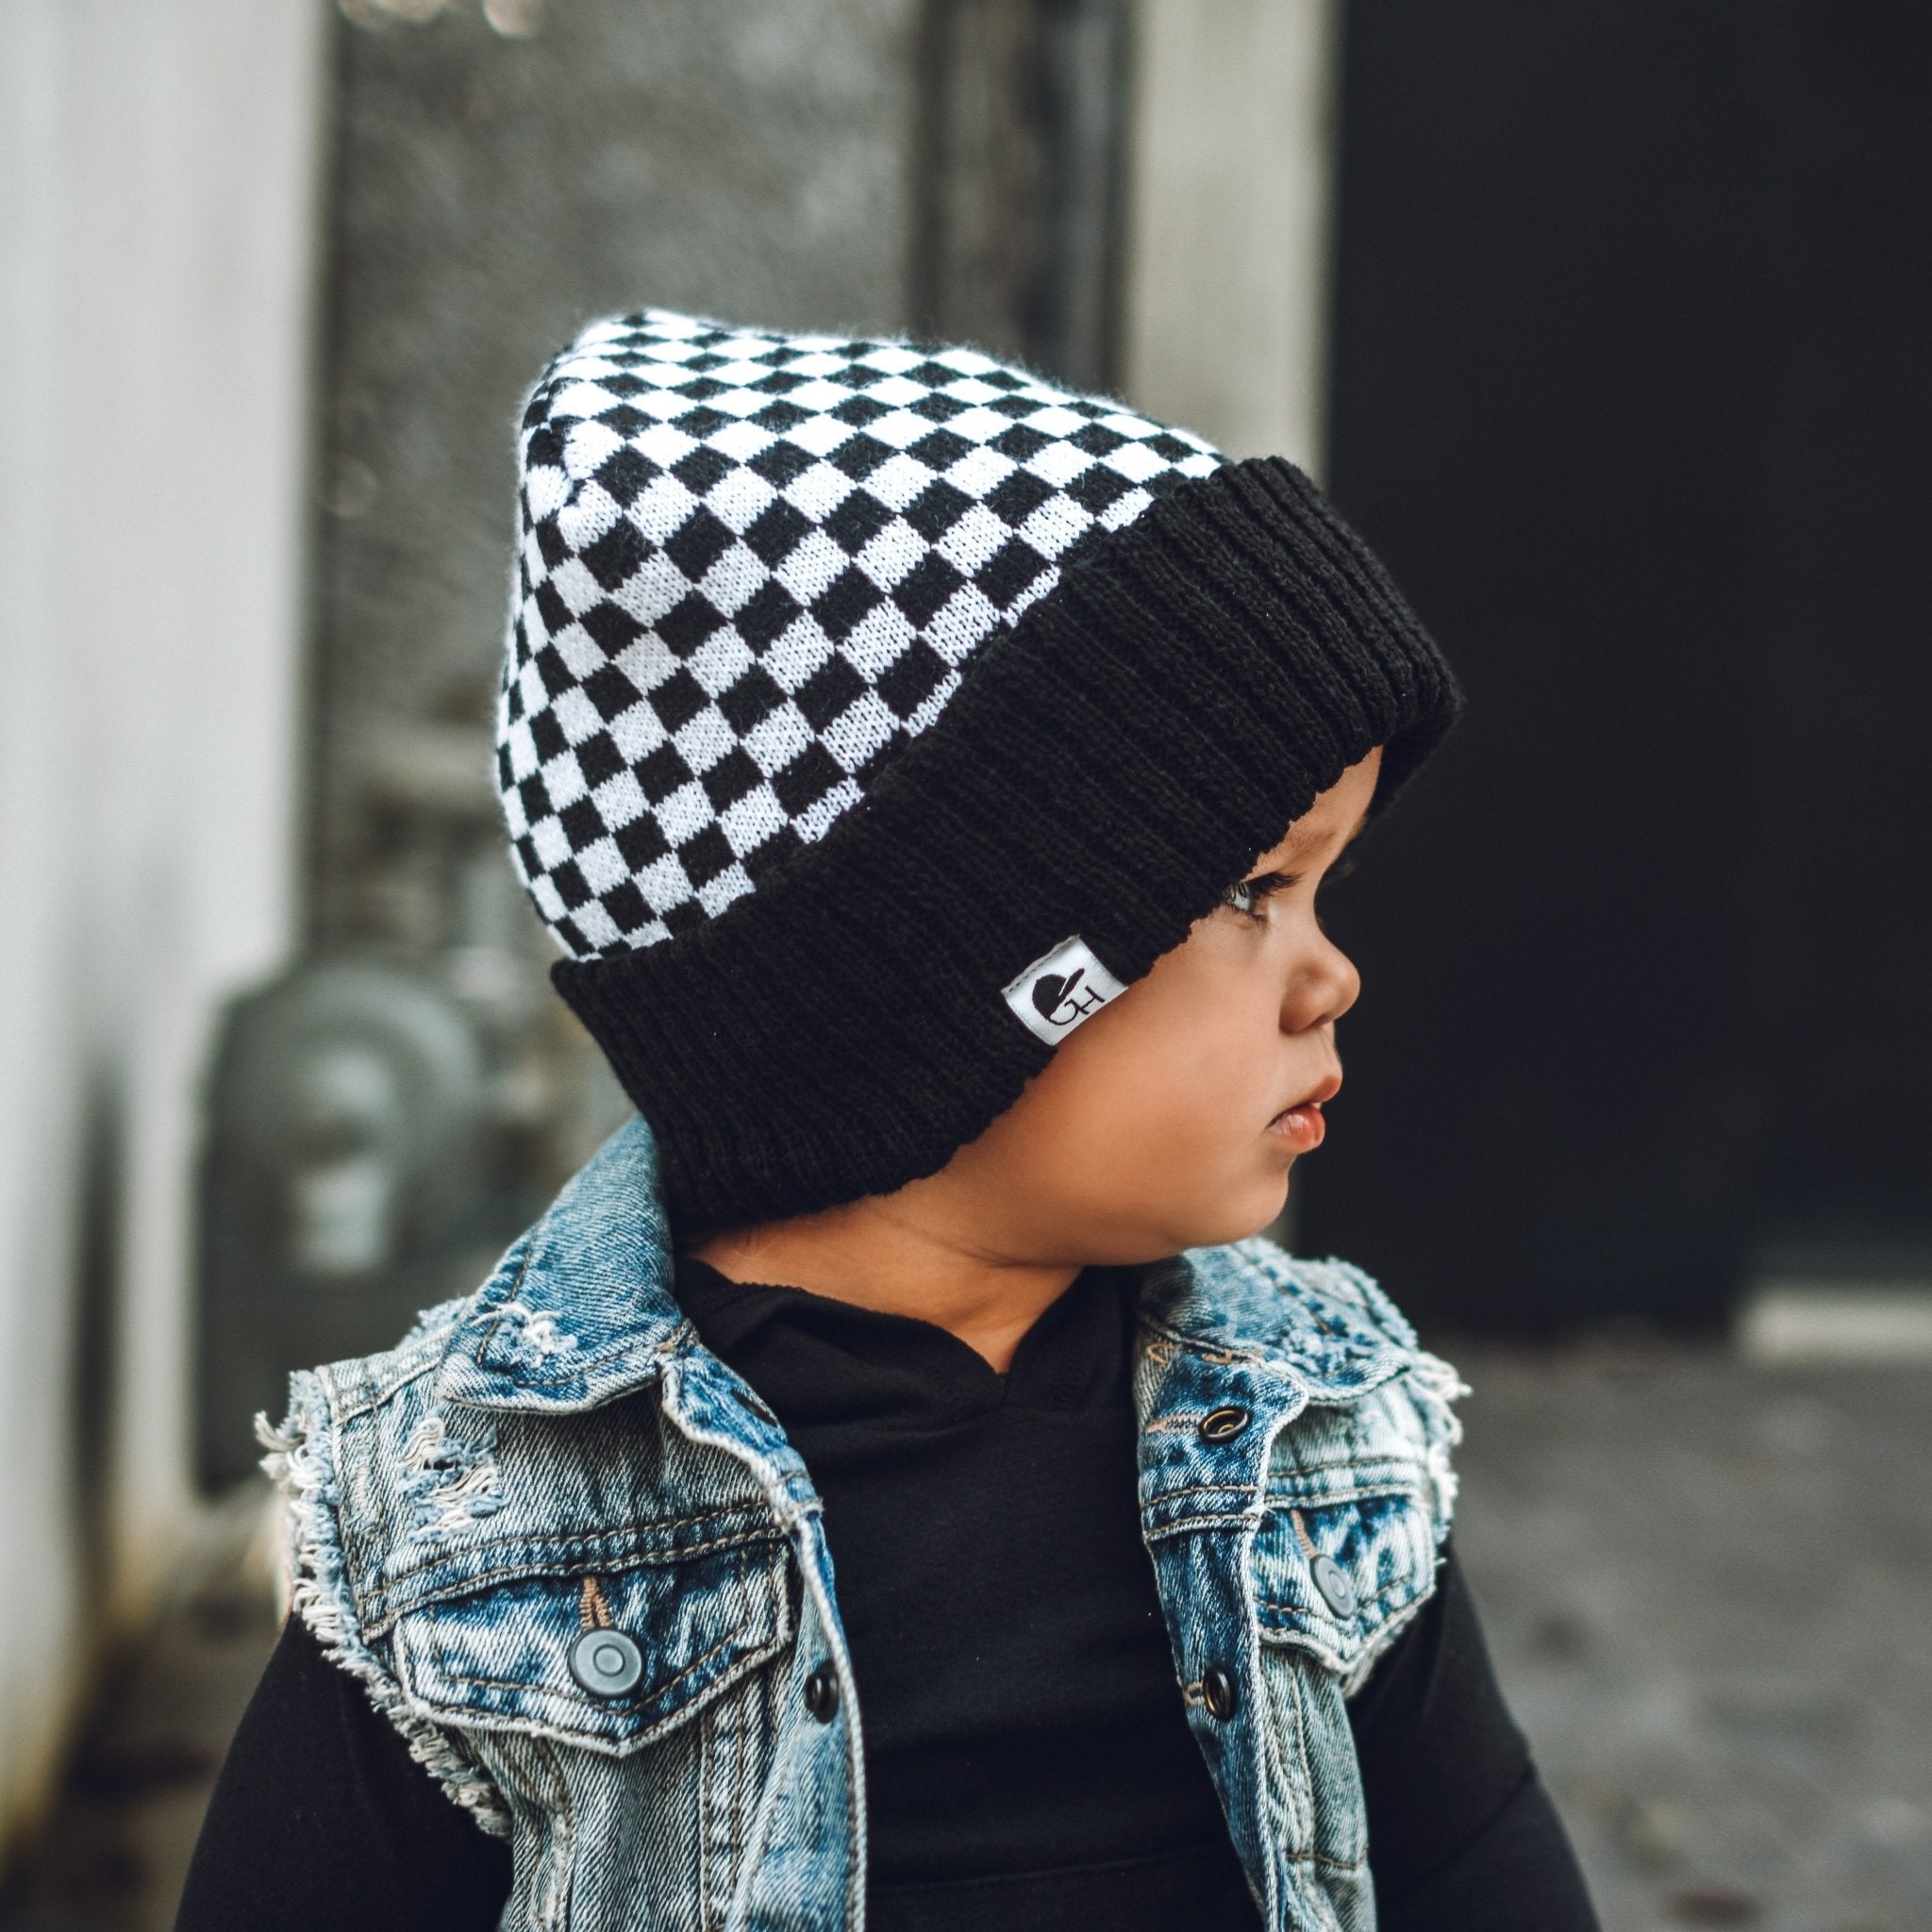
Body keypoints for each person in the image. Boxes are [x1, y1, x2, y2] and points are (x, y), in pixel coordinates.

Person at [177, 308, 1598, 1932]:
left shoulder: (1323, 1446)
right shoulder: (465, 1537)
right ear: (938, 992)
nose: (1330, 975)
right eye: (1251, 889)